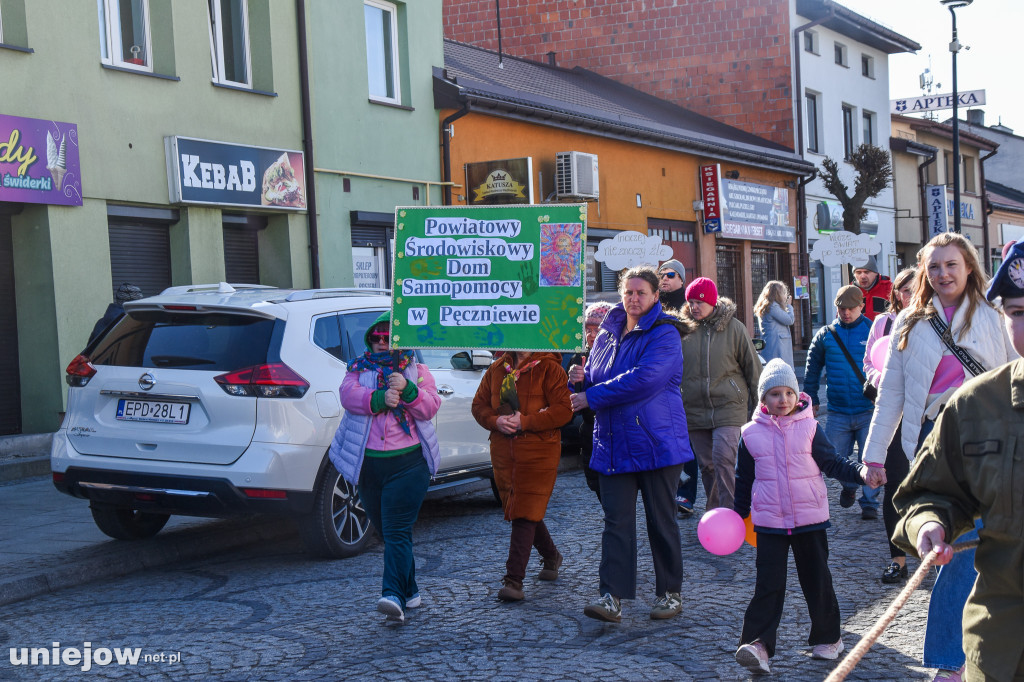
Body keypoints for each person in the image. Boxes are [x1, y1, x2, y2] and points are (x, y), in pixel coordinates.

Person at [862, 232, 1017, 681]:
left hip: (990, 437)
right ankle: (951, 661)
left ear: (969, 267)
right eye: (934, 267)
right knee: (953, 548)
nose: (943, 273)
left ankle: (978, 650)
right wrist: (874, 455)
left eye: (951, 264)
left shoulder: (995, 314)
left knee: (987, 546)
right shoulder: (908, 324)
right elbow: (891, 394)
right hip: (935, 439)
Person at [567, 266, 694, 623]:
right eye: (628, 292)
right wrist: (580, 380)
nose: (634, 298)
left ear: (656, 296)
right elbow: (597, 380)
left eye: (641, 293)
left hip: (656, 442)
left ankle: (669, 593)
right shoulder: (607, 333)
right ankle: (612, 596)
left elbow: (644, 379)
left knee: (661, 521)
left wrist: (592, 396)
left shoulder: (665, 333)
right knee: (616, 523)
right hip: (612, 442)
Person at [733, 359, 871, 674]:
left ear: (797, 396)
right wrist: (738, 516)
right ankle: (758, 645)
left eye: (788, 393)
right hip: (769, 523)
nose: (782, 399)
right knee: (768, 585)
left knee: (816, 579)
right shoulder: (750, 434)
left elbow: (833, 462)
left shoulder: (811, 428)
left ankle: (829, 638)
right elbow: (743, 480)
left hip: (810, 520)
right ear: (763, 399)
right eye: (774, 394)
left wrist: (861, 473)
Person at [328, 312, 442, 625]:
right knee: (388, 532)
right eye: (377, 337)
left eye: (389, 337)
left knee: (396, 531)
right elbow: (348, 396)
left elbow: (431, 406)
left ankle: (392, 595)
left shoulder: (417, 370)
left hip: (409, 465)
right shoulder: (357, 369)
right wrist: (379, 398)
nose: (382, 342)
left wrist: (407, 389)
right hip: (369, 467)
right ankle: (410, 589)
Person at [472, 348, 573, 602]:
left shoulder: (550, 368)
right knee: (522, 507)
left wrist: (525, 422)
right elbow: (478, 405)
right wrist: (495, 421)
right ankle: (551, 556)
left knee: (525, 512)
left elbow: (564, 410)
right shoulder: (496, 369)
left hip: (539, 451)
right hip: (503, 453)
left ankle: (513, 580)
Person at [676, 276, 761, 513]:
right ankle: (717, 513)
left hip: (730, 406)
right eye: (691, 302)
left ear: (712, 302)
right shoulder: (682, 330)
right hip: (694, 408)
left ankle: (731, 513)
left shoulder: (735, 328)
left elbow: (753, 369)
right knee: (707, 466)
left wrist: (759, 407)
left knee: (724, 458)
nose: (694, 307)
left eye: (699, 302)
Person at [803, 285, 879, 519]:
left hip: (868, 410)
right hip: (838, 411)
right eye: (841, 308)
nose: (845, 312)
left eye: (851, 308)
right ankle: (849, 485)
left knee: (871, 459)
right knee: (835, 459)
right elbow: (812, 367)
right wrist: (811, 397)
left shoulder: (872, 331)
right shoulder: (826, 334)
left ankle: (870, 503)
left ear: (861, 306)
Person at [861, 267, 917, 583]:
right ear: (896, 293)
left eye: (916, 289)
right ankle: (898, 559)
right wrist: (881, 378)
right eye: (905, 290)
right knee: (894, 486)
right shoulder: (883, 323)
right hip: (893, 412)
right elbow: (870, 361)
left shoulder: (934, 321)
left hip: (927, 413)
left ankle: (938, 557)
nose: (910, 295)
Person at [564, 301, 615, 500]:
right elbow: (570, 400)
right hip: (589, 431)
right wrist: (573, 382)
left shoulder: (618, 355)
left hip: (613, 431)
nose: (591, 335)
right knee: (596, 485)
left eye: (597, 330)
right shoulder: (579, 357)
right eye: (588, 329)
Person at [754, 280, 795, 366]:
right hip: (777, 347)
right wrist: (789, 306)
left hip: (771, 345)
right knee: (779, 370)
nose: (785, 296)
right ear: (777, 294)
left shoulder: (767, 306)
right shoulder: (773, 307)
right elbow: (789, 320)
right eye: (783, 293)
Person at [853, 255, 893, 322]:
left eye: (866, 272)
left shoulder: (890, 288)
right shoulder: (850, 291)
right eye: (858, 272)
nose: (862, 276)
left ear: (876, 273)